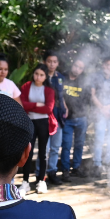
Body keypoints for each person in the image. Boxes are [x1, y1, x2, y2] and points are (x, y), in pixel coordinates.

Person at [20, 64, 58, 195]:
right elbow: (22, 104)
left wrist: (31, 107)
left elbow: (48, 108)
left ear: (45, 76)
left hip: (43, 122)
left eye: (42, 75)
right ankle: (25, 182)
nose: (38, 77)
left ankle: (41, 181)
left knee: (42, 152)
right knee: (28, 152)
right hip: (29, 122)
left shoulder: (49, 90)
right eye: (36, 74)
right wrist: (37, 104)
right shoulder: (26, 86)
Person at [60, 58, 90, 182]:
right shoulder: (62, 78)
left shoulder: (84, 81)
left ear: (82, 70)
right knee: (66, 145)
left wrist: (88, 114)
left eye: (80, 68)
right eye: (76, 66)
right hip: (67, 119)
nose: (77, 69)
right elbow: (58, 95)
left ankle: (76, 167)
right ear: (72, 65)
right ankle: (65, 170)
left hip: (81, 117)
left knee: (79, 144)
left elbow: (89, 99)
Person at [44, 51, 67, 186]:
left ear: (58, 63)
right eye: (49, 61)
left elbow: (61, 95)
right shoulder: (41, 76)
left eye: (54, 61)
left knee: (55, 147)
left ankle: (52, 171)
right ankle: (41, 175)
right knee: (44, 148)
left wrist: (65, 107)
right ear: (45, 62)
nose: (52, 64)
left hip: (58, 116)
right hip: (45, 116)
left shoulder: (60, 77)